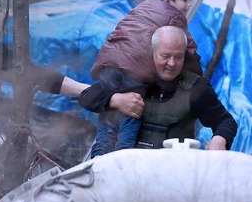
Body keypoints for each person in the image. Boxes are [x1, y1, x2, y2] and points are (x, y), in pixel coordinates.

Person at [86, 0, 203, 157]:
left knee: (108, 127)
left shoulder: (141, 8)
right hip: (133, 75)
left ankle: (97, 167)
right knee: (130, 121)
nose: (188, 5)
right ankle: (122, 164)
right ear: (168, 0)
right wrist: (196, 73)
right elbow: (186, 49)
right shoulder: (174, 17)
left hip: (109, 69)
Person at [80, 25, 237, 153]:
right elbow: (87, 96)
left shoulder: (195, 87)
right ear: (152, 53)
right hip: (127, 173)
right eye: (165, 56)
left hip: (172, 177)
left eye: (178, 57)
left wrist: (220, 138)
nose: (172, 63)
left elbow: (226, 121)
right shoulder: (131, 77)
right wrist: (116, 100)